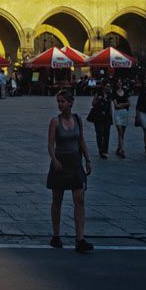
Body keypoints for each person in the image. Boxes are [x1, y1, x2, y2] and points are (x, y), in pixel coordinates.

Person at [47, 89, 93, 252]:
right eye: (58, 101)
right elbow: (50, 145)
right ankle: (56, 235)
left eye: (62, 101)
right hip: (61, 162)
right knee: (57, 200)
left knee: (79, 199)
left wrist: (87, 159)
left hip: (75, 162)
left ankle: (80, 238)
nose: (60, 104)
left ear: (71, 103)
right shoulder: (55, 121)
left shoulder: (77, 120)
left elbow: (81, 141)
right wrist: (54, 160)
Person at [87, 86, 112, 159]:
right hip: (98, 116)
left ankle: (105, 151)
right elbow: (93, 103)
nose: (108, 88)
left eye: (109, 86)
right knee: (99, 133)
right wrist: (99, 99)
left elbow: (110, 105)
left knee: (107, 134)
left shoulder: (110, 95)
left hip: (107, 116)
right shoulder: (98, 94)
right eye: (107, 86)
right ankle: (100, 149)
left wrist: (111, 116)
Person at [111, 79, 131, 158]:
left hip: (124, 113)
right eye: (118, 82)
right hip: (118, 113)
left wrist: (121, 104)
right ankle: (122, 150)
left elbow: (129, 103)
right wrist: (124, 104)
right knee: (120, 131)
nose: (119, 83)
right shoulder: (114, 93)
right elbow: (116, 106)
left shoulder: (125, 92)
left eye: (120, 82)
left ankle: (118, 148)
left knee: (123, 132)